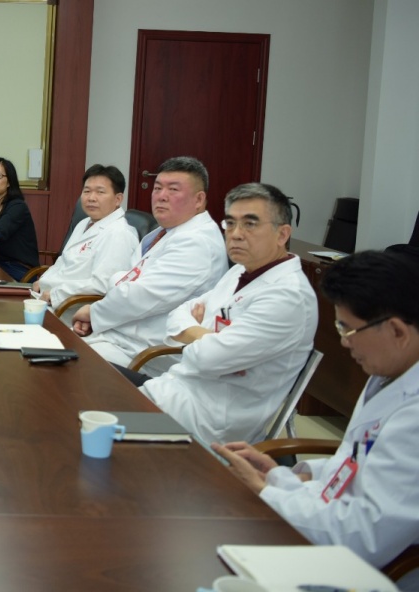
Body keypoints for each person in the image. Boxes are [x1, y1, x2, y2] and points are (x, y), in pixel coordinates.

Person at [215, 250, 419, 587]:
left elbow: (362, 536)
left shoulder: (413, 416)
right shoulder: (388, 372)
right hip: (334, 529)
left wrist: (266, 492)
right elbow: (357, 460)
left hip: (370, 571)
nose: (343, 342)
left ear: (397, 331)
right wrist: (284, 476)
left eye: (348, 329)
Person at [135, 183, 317, 444]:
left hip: (206, 426)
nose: (236, 234)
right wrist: (207, 337)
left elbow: (207, 358)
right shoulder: (240, 271)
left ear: (282, 234)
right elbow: (177, 316)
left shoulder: (288, 297)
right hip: (173, 392)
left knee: (88, 419)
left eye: (250, 224)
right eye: (230, 223)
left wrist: (194, 336)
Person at [71, 156, 227, 366]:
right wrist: (115, 292)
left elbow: (141, 295)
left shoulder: (198, 242)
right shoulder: (163, 232)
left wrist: (93, 312)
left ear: (198, 200)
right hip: (120, 334)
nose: (161, 196)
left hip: (147, 352)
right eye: (158, 188)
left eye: (173, 189)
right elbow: (126, 282)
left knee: (61, 364)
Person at [32, 164, 139, 309]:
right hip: (47, 298)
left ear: (118, 199)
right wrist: (43, 281)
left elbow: (103, 285)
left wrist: (56, 294)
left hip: (72, 309)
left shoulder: (120, 234)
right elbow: (63, 261)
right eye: (87, 191)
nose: (91, 198)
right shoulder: (84, 223)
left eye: (100, 192)